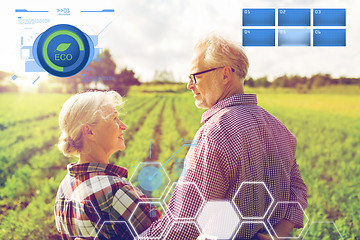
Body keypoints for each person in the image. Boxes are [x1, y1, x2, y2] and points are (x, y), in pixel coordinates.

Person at [139, 33, 308, 239]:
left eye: (196, 76)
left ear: (225, 75)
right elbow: (298, 191)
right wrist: (273, 235)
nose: (189, 85)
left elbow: (183, 225)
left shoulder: (215, 133)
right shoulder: (280, 128)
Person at [54, 91, 161, 240]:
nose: (123, 126)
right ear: (89, 131)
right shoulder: (116, 191)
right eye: (114, 118)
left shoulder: (65, 187)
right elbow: (165, 235)